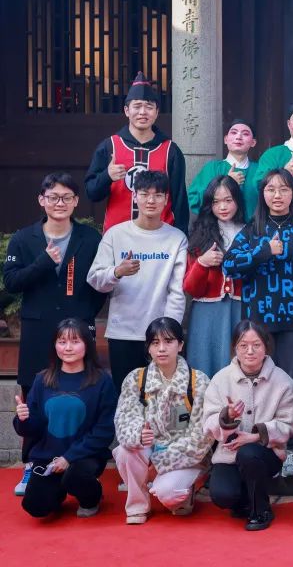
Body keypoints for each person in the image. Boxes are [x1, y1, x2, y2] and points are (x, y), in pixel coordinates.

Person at [3, 173, 106, 495]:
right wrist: (44, 263)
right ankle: (31, 465)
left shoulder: (90, 238)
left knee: (85, 390)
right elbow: (12, 283)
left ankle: (81, 461)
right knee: (34, 395)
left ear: (76, 202)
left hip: (77, 326)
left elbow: (99, 285)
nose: (59, 203)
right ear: (41, 200)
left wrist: (84, 313)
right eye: (53, 197)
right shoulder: (24, 238)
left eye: (66, 197)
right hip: (38, 328)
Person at [87, 170, 187, 390]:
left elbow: (177, 292)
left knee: (163, 396)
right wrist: (117, 272)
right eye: (144, 194)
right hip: (123, 332)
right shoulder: (115, 234)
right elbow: (94, 279)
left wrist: (168, 333)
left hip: (161, 337)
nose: (151, 200)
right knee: (126, 396)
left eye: (158, 195)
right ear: (134, 196)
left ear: (166, 199)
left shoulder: (177, 238)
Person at [223, 168, 293, 387]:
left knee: (292, 380)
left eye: (284, 189)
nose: (277, 195)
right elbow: (229, 266)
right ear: (263, 194)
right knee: (259, 380)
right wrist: (264, 251)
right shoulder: (252, 229)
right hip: (257, 320)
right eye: (271, 189)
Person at [113, 318, 213, 524]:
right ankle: (138, 505)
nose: (161, 349)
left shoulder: (198, 381)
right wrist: (138, 434)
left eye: (168, 341)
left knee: (169, 495)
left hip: (184, 455)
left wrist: (158, 464)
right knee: (124, 451)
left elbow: (201, 437)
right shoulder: (136, 379)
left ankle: (186, 490)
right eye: (155, 342)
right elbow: (124, 420)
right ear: (148, 348)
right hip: (149, 450)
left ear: (180, 345)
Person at [13, 318, 116, 519]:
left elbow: (104, 430)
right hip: (49, 458)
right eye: (62, 342)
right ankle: (58, 491)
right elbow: (33, 429)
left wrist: (69, 457)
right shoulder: (42, 379)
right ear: (55, 345)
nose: (68, 347)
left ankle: (92, 496)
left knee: (75, 477)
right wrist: (23, 419)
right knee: (36, 507)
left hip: (85, 456)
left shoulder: (102, 381)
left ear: (87, 345)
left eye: (75, 341)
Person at [202, 320, 293, 531]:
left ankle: (261, 511)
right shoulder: (220, 379)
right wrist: (226, 417)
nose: (250, 351)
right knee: (223, 495)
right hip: (229, 454)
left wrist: (256, 436)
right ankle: (245, 499)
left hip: (266, 454)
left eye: (256, 345)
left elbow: (290, 424)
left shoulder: (283, 382)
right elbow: (207, 423)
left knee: (249, 454)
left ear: (266, 346)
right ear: (234, 348)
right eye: (243, 345)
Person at [84, 71, 188, 232]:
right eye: (137, 106)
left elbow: (180, 202)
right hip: (118, 236)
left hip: (162, 238)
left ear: (156, 112)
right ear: (127, 110)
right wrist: (107, 176)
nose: (142, 112)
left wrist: (182, 238)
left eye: (149, 107)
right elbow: (92, 193)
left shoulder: (170, 151)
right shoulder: (109, 146)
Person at [184, 174, 247, 377]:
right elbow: (191, 288)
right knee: (204, 366)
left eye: (228, 200)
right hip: (206, 313)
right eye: (216, 202)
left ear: (238, 201)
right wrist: (202, 263)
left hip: (241, 310)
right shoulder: (199, 235)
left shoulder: (250, 233)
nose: (222, 207)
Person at [186, 119, 259, 218]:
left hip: (253, 227)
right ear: (226, 139)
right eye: (234, 133)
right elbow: (195, 199)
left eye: (245, 134)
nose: (238, 137)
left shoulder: (259, 170)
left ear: (253, 142)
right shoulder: (212, 168)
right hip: (216, 226)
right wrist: (227, 183)